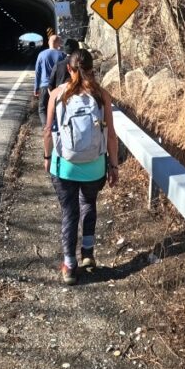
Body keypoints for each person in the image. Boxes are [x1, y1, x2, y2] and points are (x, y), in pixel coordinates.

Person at [44, 48, 119, 285]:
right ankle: (87, 254)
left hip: (64, 166)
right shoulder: (102, 95)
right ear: (91, 68)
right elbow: (111, 135)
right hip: (94, 167)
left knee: (69, 212)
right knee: (88, 204)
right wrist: (113, 166)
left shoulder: (57, 94)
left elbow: (47, 131)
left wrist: (47, 157)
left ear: (69, 68)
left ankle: (69, 265)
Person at [34, 34, 65, 126]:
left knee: (42, 109)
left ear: (48, 42)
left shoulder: (41, 54)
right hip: (57, 87)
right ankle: (56, 127)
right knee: (56, 108)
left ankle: (46, 127)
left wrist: (36, 87)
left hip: (44, 86)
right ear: (58, 43)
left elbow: (37, 72)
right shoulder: (62, 55)